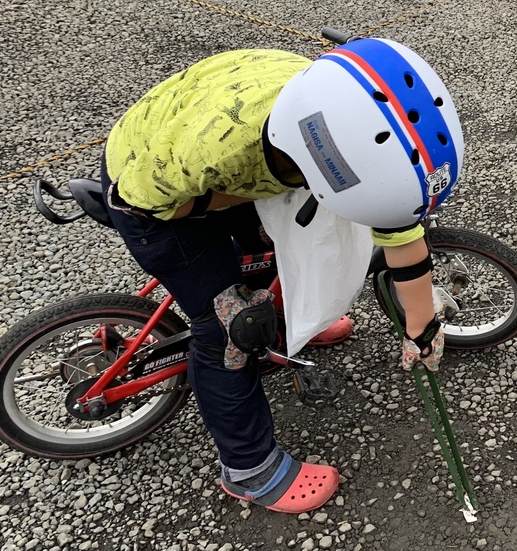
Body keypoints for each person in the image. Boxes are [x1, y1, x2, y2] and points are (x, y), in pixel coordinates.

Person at [100, 40, 464, 514]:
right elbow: (155, 202)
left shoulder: (327, 103)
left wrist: (421, 327)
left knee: (281, 243)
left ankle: (293, 325)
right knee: (232, 328)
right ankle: (249, 470)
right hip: (154, 191)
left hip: (234, 154)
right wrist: (228, 203)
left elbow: (401, 234)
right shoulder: (216, 153)